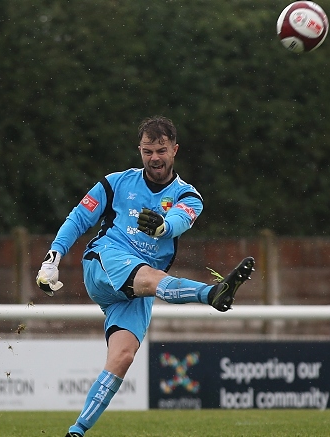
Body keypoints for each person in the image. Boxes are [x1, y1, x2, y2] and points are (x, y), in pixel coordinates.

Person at [35, 116, 255, 437]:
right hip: (104, 262)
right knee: (150, 277)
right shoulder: (115, 183)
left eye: (161, 151)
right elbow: (79, 218)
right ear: (139, 150)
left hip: (135, 289)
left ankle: (77, 431)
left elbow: (181, 219)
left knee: (122, 357)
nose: (154, 158)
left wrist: (164, 226)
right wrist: (52, 258)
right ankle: (212, 295)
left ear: (174, 150)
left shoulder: (188, 195)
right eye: (148, 151)